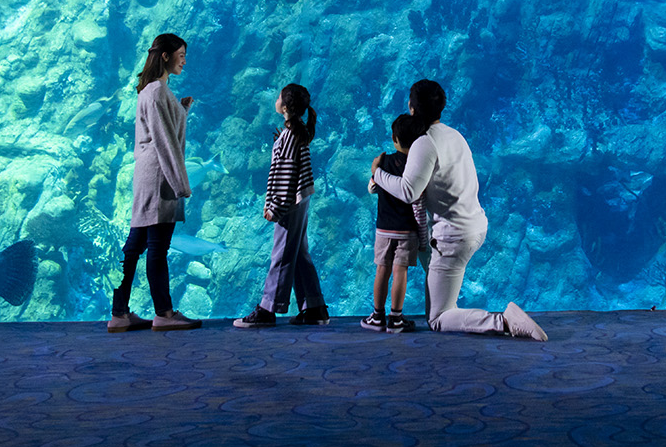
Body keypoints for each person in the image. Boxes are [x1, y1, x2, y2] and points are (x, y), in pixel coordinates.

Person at [369, 79, 547, 340]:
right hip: (474, 226)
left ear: (411, 108)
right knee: (427, 261)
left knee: (439, 318)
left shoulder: (424, 143)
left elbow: (409, 191)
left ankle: (504, 321)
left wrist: (378, 172)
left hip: (454, 237)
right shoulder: (455, 135)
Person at [110, 33, 202, 332]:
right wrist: (181, 184)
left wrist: (181, 111)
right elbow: (165, 142)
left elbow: (158, 132)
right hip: (160, 176)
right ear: (165, 55)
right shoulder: (158, 92)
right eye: (181, 54)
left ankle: (119, 313)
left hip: (146, 174)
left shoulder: (151, 91)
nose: (184, 59)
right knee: (157, 248)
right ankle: (164, 313)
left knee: (134, 246)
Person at [234, 83, 329, 328]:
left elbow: (286, 177)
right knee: (298, 253)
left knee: (282, 253)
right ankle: (315, 306)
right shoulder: (293, 134)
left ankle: (268, 309)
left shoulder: (289, 137)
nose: (275, 99)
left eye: (279, 97)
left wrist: (275, 207)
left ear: (285, 107)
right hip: (300, 199)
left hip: (290, 202)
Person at [361, 114, 429, 333]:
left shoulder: (384, 162)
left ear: (394, 138)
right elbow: (418, 204)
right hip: (407, 231)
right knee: (401, 272)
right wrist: (423, 236)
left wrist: (377, 172)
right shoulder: (417, 167)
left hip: (383, 229)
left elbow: (372, 188)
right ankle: (396, 318)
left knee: (382, 270)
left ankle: (377, 316)